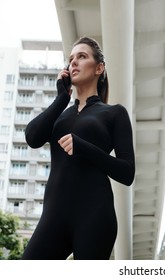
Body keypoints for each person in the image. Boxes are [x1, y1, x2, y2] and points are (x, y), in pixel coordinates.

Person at [22, 37, 135, 260]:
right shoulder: (60, 114)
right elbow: (32, 137)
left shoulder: (114, 113)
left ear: (99, 68)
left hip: (95, 215)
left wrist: (84, 147)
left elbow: (127, 172)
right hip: (54, 215)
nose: (73, 62)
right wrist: (61, 99)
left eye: (82, 57)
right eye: (70, 59)